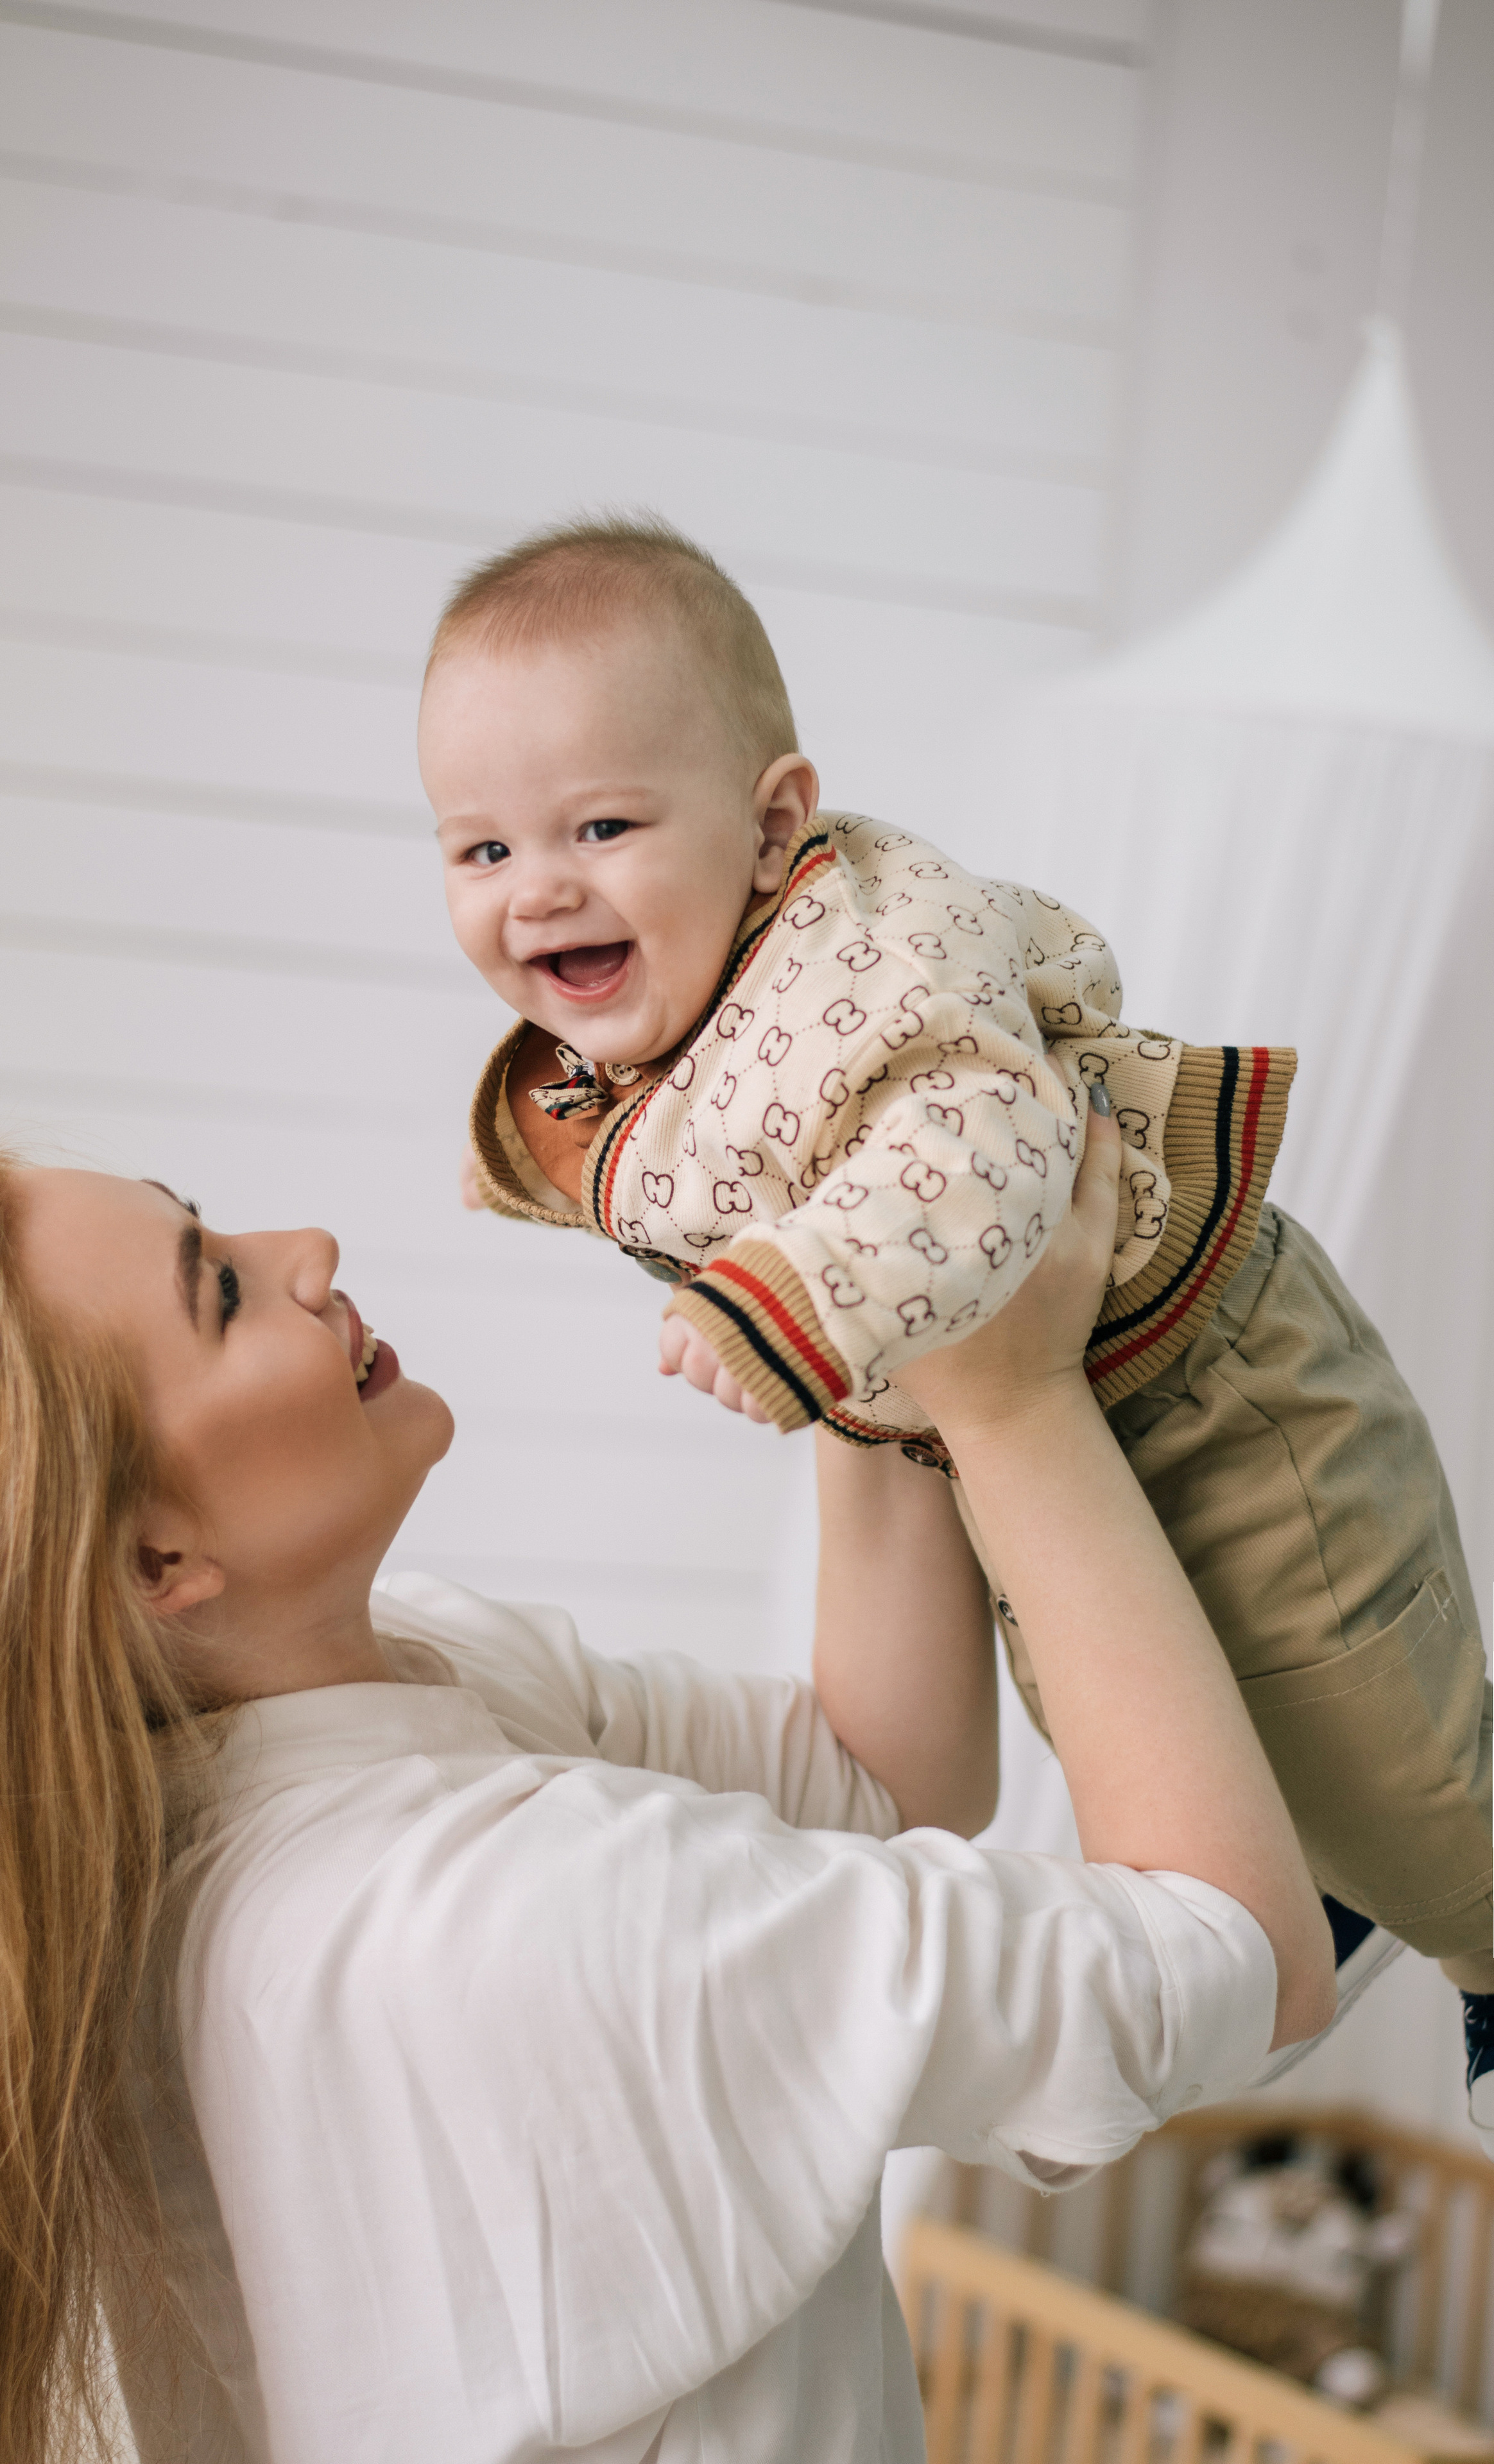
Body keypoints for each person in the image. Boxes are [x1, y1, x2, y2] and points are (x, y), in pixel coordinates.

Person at [0, 1118, 1330, 2463]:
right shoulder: (511, 1915)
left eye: (211, 1223)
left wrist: (858, 1285)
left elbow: (877, 1774)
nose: (305, 1253)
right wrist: (1009, 1399)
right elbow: (1240, 1960)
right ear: (155, 1564)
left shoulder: (383, 1696)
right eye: (219, 1293)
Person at [421, 512, 1493, 2123]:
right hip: (1056, 1427)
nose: (535, 889)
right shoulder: (692, 996)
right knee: (1123, 1710)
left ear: (776, 821)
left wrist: (782, 1306)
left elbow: (968, 1158)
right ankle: (1319, 1858)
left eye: (599, 826)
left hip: (1224, 1390)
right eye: (481, 851)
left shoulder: (874, 948)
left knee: (1378, 1739)